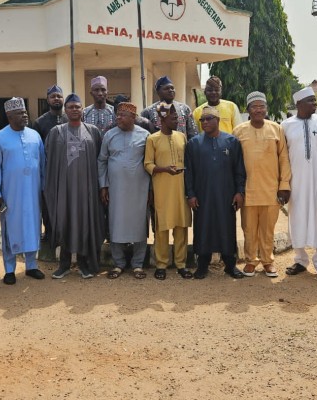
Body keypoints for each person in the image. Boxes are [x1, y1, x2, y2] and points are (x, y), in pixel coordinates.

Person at [45, 93, 104, 279]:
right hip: (64, 188)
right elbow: (50, 160)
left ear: (82, 109)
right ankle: (64, 264)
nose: (74, 110)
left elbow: (100, 160)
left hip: (87, 188)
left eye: (77, 107)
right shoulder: (56, 132)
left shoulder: (93, 131)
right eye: (70, 107)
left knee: (84, 221)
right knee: (64, 220)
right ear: (65, 110)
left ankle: (83, 263)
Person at [233, 92, 291, 278]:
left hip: (271, 189)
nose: (258, 110)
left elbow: (284, 158)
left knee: (268, 229)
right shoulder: (239, 131)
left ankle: (268, 261)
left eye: (261, 106)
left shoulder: (276, 129)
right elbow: (233, 163)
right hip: (247, 190)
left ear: (266, 109)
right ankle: (251, 261)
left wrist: (284, 185)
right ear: (248, 110)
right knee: (249, 229)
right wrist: (235, 190)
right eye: (254, 107)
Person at [281, 87, 317, 280]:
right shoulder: (285, 125)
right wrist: (283, 184)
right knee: (297, 218)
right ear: (298, 104)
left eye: (314, 100)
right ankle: (300, 260)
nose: (315, 104)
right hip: (296, 182)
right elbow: (282, 156)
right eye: (310, 100)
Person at [0, 97, 46, 285]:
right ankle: (9, 269)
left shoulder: (35, 136)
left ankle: (31, 265)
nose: (25, 116)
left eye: (25, 112)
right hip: (11, 193)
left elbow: (43, 164)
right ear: (9, 116)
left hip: (33, 192)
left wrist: (44, 187)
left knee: (33, 227)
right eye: (20, 113)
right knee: (10, 230)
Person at [185, 106, 246, 279]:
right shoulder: (193, 144)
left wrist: (239, 192)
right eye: (202, 120)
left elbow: (239, 170)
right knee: (202, 227)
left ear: (218, 120)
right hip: (202, 196)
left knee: (227, 227)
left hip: (226, 196)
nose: (205, 122)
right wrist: (191, 194)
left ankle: (230, 265)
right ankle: (202, 265)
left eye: (208, 119)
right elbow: (189, 172)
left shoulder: (232, 142)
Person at [98, 102, 150, 279]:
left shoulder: (145, 135)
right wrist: (103, 185)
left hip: (139, 189)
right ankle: (118, 263)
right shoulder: (110, 135)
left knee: (140, 225)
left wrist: (151, 189)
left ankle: (137, 264)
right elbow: (102, 160)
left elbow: (150, 162)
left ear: (133, 117)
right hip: (116, 189)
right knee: (116, 223)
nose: (118, 118)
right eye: (117, 115)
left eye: (122, 115)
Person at [144, 102, 193, 280]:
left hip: (181, 189)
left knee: (181, 227)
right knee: (162, 228)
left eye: (177, 117)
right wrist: (164, 169)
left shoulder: (182, 137)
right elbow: (148, 164)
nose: (177, 121)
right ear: (162, 119)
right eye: (173, 118)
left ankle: (181, 264)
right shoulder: (153, 139)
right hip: (162, 190)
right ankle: (161, 264)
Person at [31, 84, 67, 242]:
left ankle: (66, 233)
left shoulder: (70, 118)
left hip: (68, 169)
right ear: (47, 100)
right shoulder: (40, 122)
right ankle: (50, 234)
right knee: (49, 203)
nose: (56, 99)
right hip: (49, 170)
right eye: (53, 96)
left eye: (59, 96)